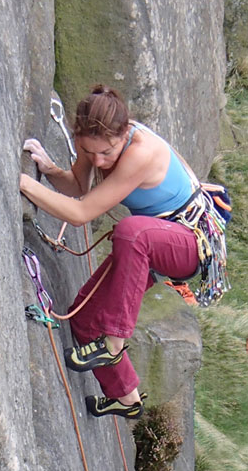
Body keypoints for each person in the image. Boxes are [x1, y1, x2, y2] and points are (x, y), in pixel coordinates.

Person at [20, 84, 200, 420]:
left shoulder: (140, 152)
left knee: (130, 232)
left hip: (188, 243)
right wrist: (48, 169)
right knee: (85, 319)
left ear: (124, 131)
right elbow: (79, 189)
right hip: (151, 240)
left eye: (108, 152)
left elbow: (80, 213)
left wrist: (22, 182)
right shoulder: (91, 140)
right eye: (92, 152)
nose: (100, 160)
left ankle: (113, 345)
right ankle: (126, 398)